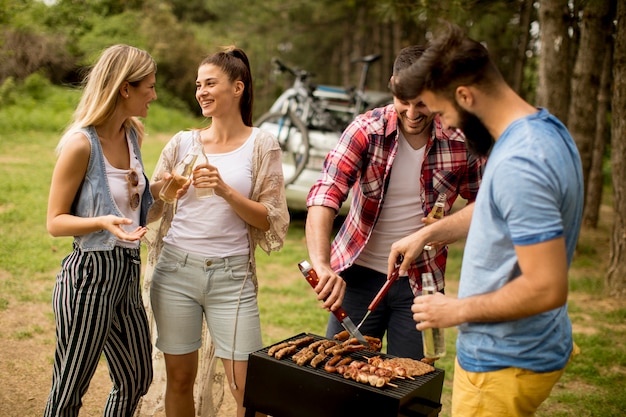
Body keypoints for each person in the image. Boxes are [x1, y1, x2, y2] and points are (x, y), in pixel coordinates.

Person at [388, 23, 583, 416]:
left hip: (503, 361)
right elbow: (494, 207)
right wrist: (429, 234)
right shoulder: (541, 130)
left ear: (465, 96)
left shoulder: (520, 163)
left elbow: (546, 288)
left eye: (442, 112)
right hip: (528, 347)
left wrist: (456, 310)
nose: (449, 125)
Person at [305, 45, 485, 360]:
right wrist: (321, 265)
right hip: (358, 278)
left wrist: (439, 232)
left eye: (422, 103)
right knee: (340, 379)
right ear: (392, 86)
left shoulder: (461, 139)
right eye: (404, 102)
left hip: (423, 283)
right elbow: (325, 194)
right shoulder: (365, 129)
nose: (413, 114)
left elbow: (486, 204)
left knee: (411, 389)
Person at [145, 46, 289, 417]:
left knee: (247, 388)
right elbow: (150, 205)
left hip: (232, 278)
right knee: (179, 381)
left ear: (237, 88)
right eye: (198, 85)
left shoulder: (262, 144)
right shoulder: (182, 142)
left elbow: (269, 219)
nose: (201, 92)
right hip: (175, 271)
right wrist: (166, 188)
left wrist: (226, 190)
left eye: (211, 83)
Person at [45, 44, 157, 416]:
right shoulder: (81, 144)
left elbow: (139, 215)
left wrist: (167, 192)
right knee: (68, 391)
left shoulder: (134, 135)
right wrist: (100, 222)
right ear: (125, 88)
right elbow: (55, 222)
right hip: (89, 277)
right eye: (149, 88)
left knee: (136, 377)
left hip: (126, 274)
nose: (154, 96)